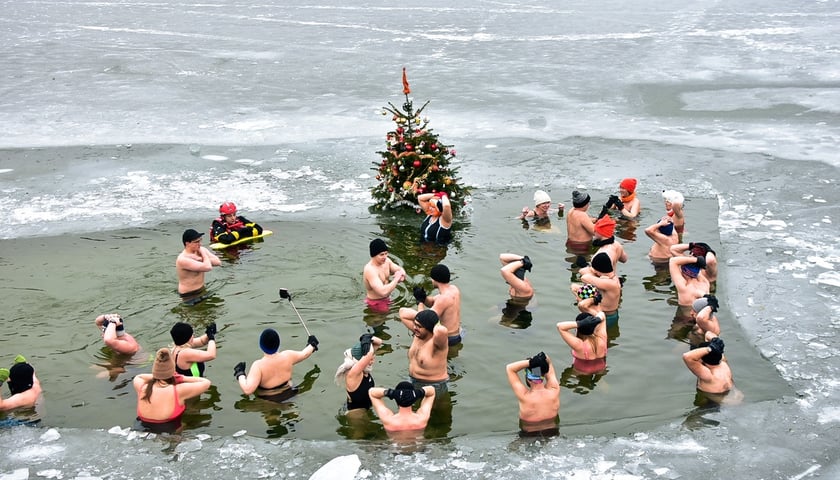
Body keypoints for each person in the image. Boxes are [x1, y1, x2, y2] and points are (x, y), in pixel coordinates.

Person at [233, 328, 319, 401]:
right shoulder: (288, 356)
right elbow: (304, 354)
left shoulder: (258, 366)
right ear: (278, 343)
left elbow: (248, 390)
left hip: (270, 399)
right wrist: (312, 345)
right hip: (291, 394)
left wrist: (240, 373)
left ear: (261, 345)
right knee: (291, 409)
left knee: (271, 418)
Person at [133, 348, 211, 429]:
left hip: (140, 427)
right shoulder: (178, 391)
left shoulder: (142, 387)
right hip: (168, 432)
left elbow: (139, 376)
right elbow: (206, 382)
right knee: (189, 423)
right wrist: (181, 378)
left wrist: (159, 375)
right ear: (173, 371)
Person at [400, 264, 462, 346]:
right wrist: (423, 297)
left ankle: (421, 337)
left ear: (435, 279)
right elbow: (433, 301)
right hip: (456, 334)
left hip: (446, 339)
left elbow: (424, 320)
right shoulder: (454, 289)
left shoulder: (443, 299)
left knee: (403, 313)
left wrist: (420, 302)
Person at [505, 351, 560, 436]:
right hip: (552, 431)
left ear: (528, 378)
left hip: (529, 434)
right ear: (543, 374)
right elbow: (548, 360)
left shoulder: (525, 396)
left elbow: (510, 368)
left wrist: (530, 362)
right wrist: (540, 361)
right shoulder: (554, 390)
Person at [335, 333, 382, 412]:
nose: (372, 362)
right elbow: (368, 354)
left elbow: (379, 342)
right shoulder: (353, 373)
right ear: (360, 360)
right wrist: (367, 340)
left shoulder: (364, 370)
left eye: (373, 359)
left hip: (366, 406)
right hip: (356, 412)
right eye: (370, 359)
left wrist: (367, 337)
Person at [406, 309, 449, 394]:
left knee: (436, 408)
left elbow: (442, 331)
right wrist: (422, 317)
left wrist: (434, 321)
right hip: (412, 380)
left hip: (434, 385)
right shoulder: (418, 335)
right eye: (415, 324)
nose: (414, 328)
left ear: (429, 328)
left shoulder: (437, 344)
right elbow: (402, 312)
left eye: (418, 326)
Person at [574, 252, 622, 328]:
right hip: (606, 313)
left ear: (597, 271)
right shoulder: (613, 277)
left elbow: (584, 278)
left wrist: (589, 269)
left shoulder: (611, 283)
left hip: (606, 316)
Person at [368, 382, 436, 433]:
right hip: (420, 451)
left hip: (395, 450)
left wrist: (392, 393)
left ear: (396, 399)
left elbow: (372, 392)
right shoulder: (422, 418)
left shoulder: (388, 420)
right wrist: (418, 393)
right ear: (413, 398)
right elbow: (431, 391)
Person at [176, 228, 221, 305]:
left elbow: (218, 262)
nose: (200, 244)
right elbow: (208, 267)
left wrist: (200, 258)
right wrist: (203, 255)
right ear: (187, 243)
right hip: (188, 295)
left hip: (202, 289)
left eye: (200, 241)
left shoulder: (200, 250)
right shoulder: (182, 259)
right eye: (196, 242)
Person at [363, 238, 407, 313]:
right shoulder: (370, 270)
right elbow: (382, 292)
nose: (385, 257)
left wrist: (402, 276)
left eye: (386, 253)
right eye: (381, 255)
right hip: (375, 302)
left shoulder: (387, 261)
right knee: (381, 322)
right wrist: (396, 279)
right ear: (374, 255)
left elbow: (400, 270)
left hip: (387, 298)